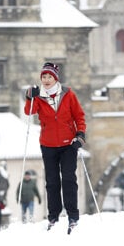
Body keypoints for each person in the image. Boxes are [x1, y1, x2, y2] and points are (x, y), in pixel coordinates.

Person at [24, 62, 86, 233]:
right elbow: (29, 112)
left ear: (55, 78)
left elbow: (79, 115)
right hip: (48, 145)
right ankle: (53, 216)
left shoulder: (68, 94)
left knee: (68, 179)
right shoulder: (39, 96)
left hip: (68, 144)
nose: (46, 80)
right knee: (52, 182)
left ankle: (73, 215)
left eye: (49, 76)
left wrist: (80, 134)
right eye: (43, 76)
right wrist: (30, 97)